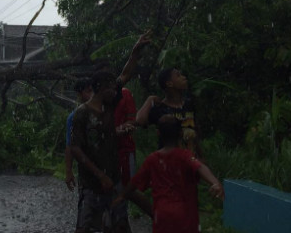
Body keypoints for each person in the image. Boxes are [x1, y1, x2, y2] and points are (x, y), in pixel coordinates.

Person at [116, 116, 224, 233]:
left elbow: (132, 185)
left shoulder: (152, 159)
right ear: (180, 133)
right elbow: (200, 167)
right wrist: (215, 182)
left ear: (158, 133)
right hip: (185, 217)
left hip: (162, 217)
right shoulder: (185, 156)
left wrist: (120, 196)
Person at [71, 71, 131, 233]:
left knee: (119, 225)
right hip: (91, 183)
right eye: (112, 88)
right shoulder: (82, 113)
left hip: (113, 179)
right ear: (103, 88)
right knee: (84, 227)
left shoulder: (109, 105)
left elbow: (125, 76)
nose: (116, 92)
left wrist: (136, 53)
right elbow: (75, 148)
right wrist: (100, 175)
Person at [136, 68, 201, 156]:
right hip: (170, 162)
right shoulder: (160, 109)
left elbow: (195, 132)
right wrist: (149, 99)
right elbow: (140, 120)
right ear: (169, 83)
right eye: (178, 75)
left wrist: (200, 156)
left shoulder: (189, 104)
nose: (184, 77)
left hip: (191, 160)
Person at [65, 78, 93, 232]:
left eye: (93, 91)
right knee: (85, 212)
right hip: (86, 172)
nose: (92, 95)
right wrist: (68, 172)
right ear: (80, 94)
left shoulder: (104, 112)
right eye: (88, 91)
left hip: (107, 170)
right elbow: (70, 146)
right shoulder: (74, 117)